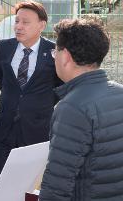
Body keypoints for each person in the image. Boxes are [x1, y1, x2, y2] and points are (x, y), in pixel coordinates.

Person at [40, 17, 123, 200]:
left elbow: (57, 184)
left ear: (66, 56)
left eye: (56, 52)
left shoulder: (72, 107)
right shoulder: (119, 92)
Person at [0, 0, 62, 186]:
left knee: (33, 180)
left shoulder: (54, 51)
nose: (19, 27)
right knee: (2, 176)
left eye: (25, 22)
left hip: (38, 126)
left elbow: (60, 85)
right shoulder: (3, 47)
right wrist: (15, 100)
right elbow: (2, 80)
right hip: (6, 124)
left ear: (41, 25)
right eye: (17, 21)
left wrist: (39, 103)